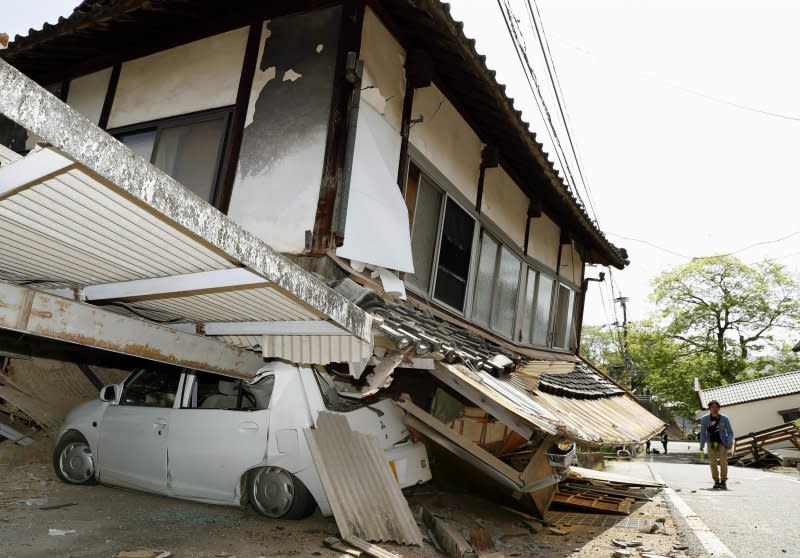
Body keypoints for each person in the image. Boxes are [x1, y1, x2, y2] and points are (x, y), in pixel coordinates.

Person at [699, 400, 734, 489]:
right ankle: (716, 480)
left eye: (716, 407)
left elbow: (730, 432)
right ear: (709, 409)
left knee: (723, 461)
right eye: (712, 407)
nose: (715, 409)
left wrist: (730, 442)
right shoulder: (704, 419)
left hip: (722, 442)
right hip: (711, 442)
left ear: (719, 408)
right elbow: (703, 433)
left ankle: (723, 481)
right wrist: (702, 445)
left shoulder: (724, 418)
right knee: (712, 462)